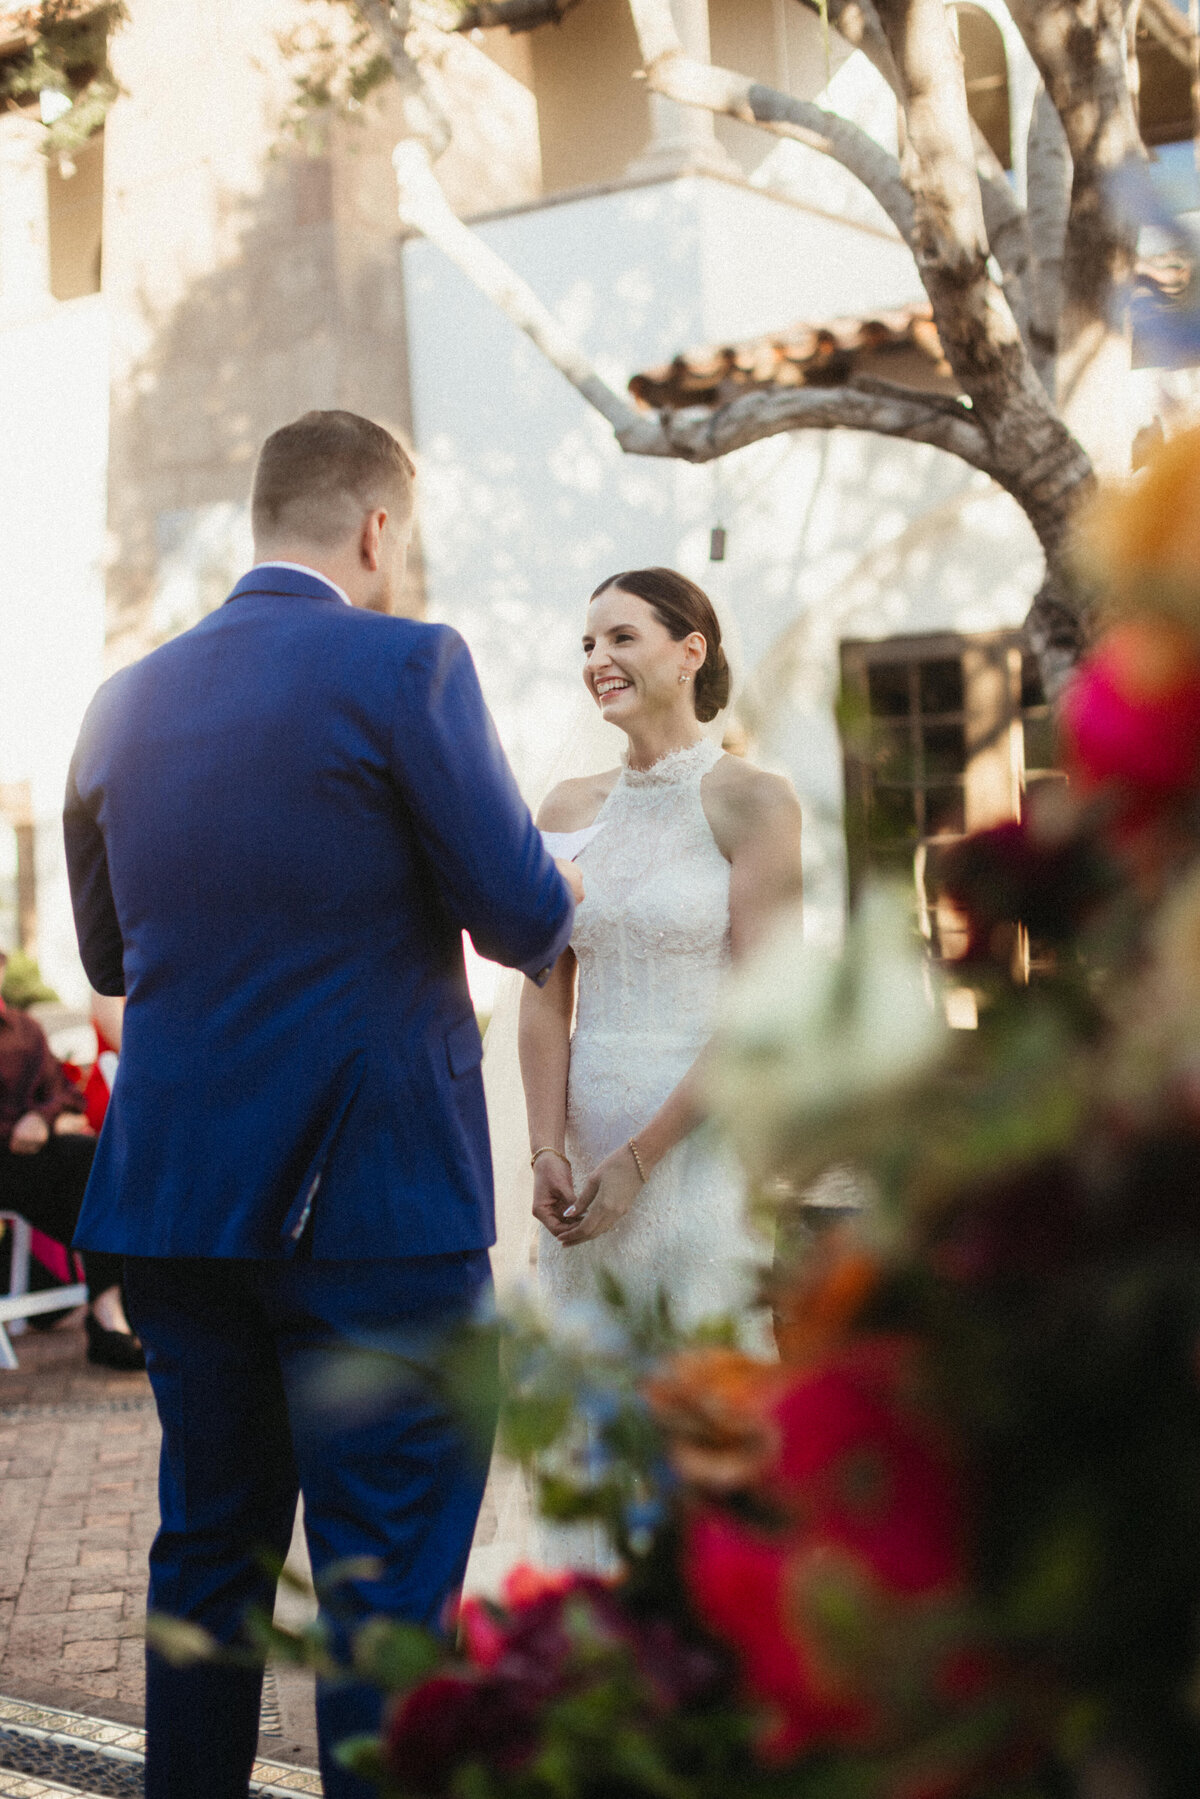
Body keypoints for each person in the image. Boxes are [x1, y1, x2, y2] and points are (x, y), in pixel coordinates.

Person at [63, 410, 580, 1799]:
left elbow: (109, 957)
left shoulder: (120, 700)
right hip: (375, 1206)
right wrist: (566, 885)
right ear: (376, 527)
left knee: (206, 1559)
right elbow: (520, 913)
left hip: (176, 1205)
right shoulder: (410, 663)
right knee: (384, 1583)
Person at [519, 567, 804, 1333]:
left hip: (700, 1151)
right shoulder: (565, 809)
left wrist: (643, 1157)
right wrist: (546, 1150)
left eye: (621, 637)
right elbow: (544, 998)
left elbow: (762, 1010)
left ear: (689, 653)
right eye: (587, 644)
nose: (597, 660)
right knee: (593, 1376)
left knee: (699, 1365)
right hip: (585, 1154)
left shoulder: (757, 801)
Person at [0, 948, 143, 1367]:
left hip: (38, 1153)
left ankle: (108, 1305)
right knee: (90, 1189)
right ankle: (111, 1312)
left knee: (99, 1160)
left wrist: (41, 1120)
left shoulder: (25, 1029)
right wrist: (16, 1129)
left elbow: (65, 1093)